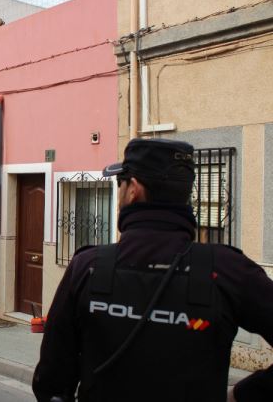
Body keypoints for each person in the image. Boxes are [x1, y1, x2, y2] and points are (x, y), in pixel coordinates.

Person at [32, 138, 273, 402]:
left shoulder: (87, 268)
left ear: (133, 189)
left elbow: (51, 380)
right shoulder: (229, 271)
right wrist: (242, 394)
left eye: (119, 183)